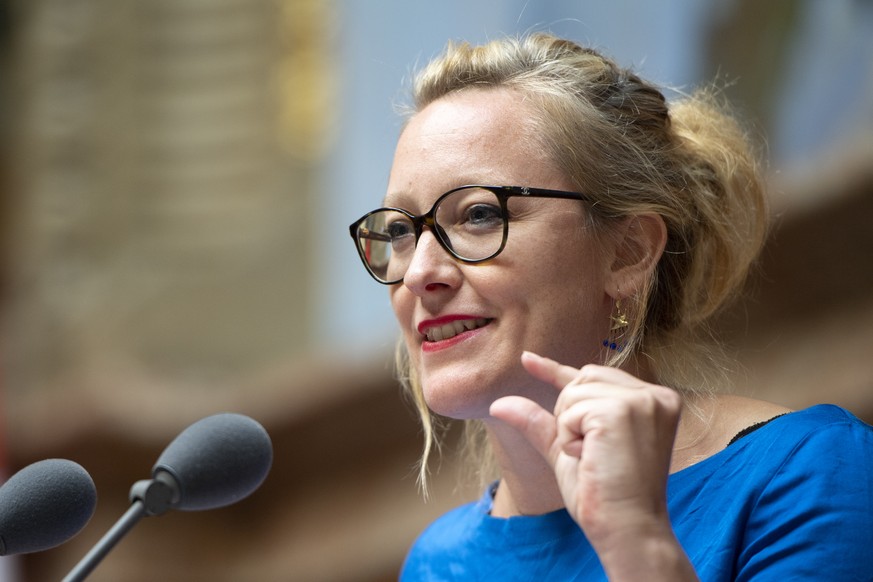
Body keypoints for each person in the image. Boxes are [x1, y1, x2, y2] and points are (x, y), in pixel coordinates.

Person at [348, 33, 873, 581]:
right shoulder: (437, 562)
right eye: (403, 230)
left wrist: (637, 543)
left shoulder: (808, 475)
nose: (420, 273)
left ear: (628, 252)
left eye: (479, 215)